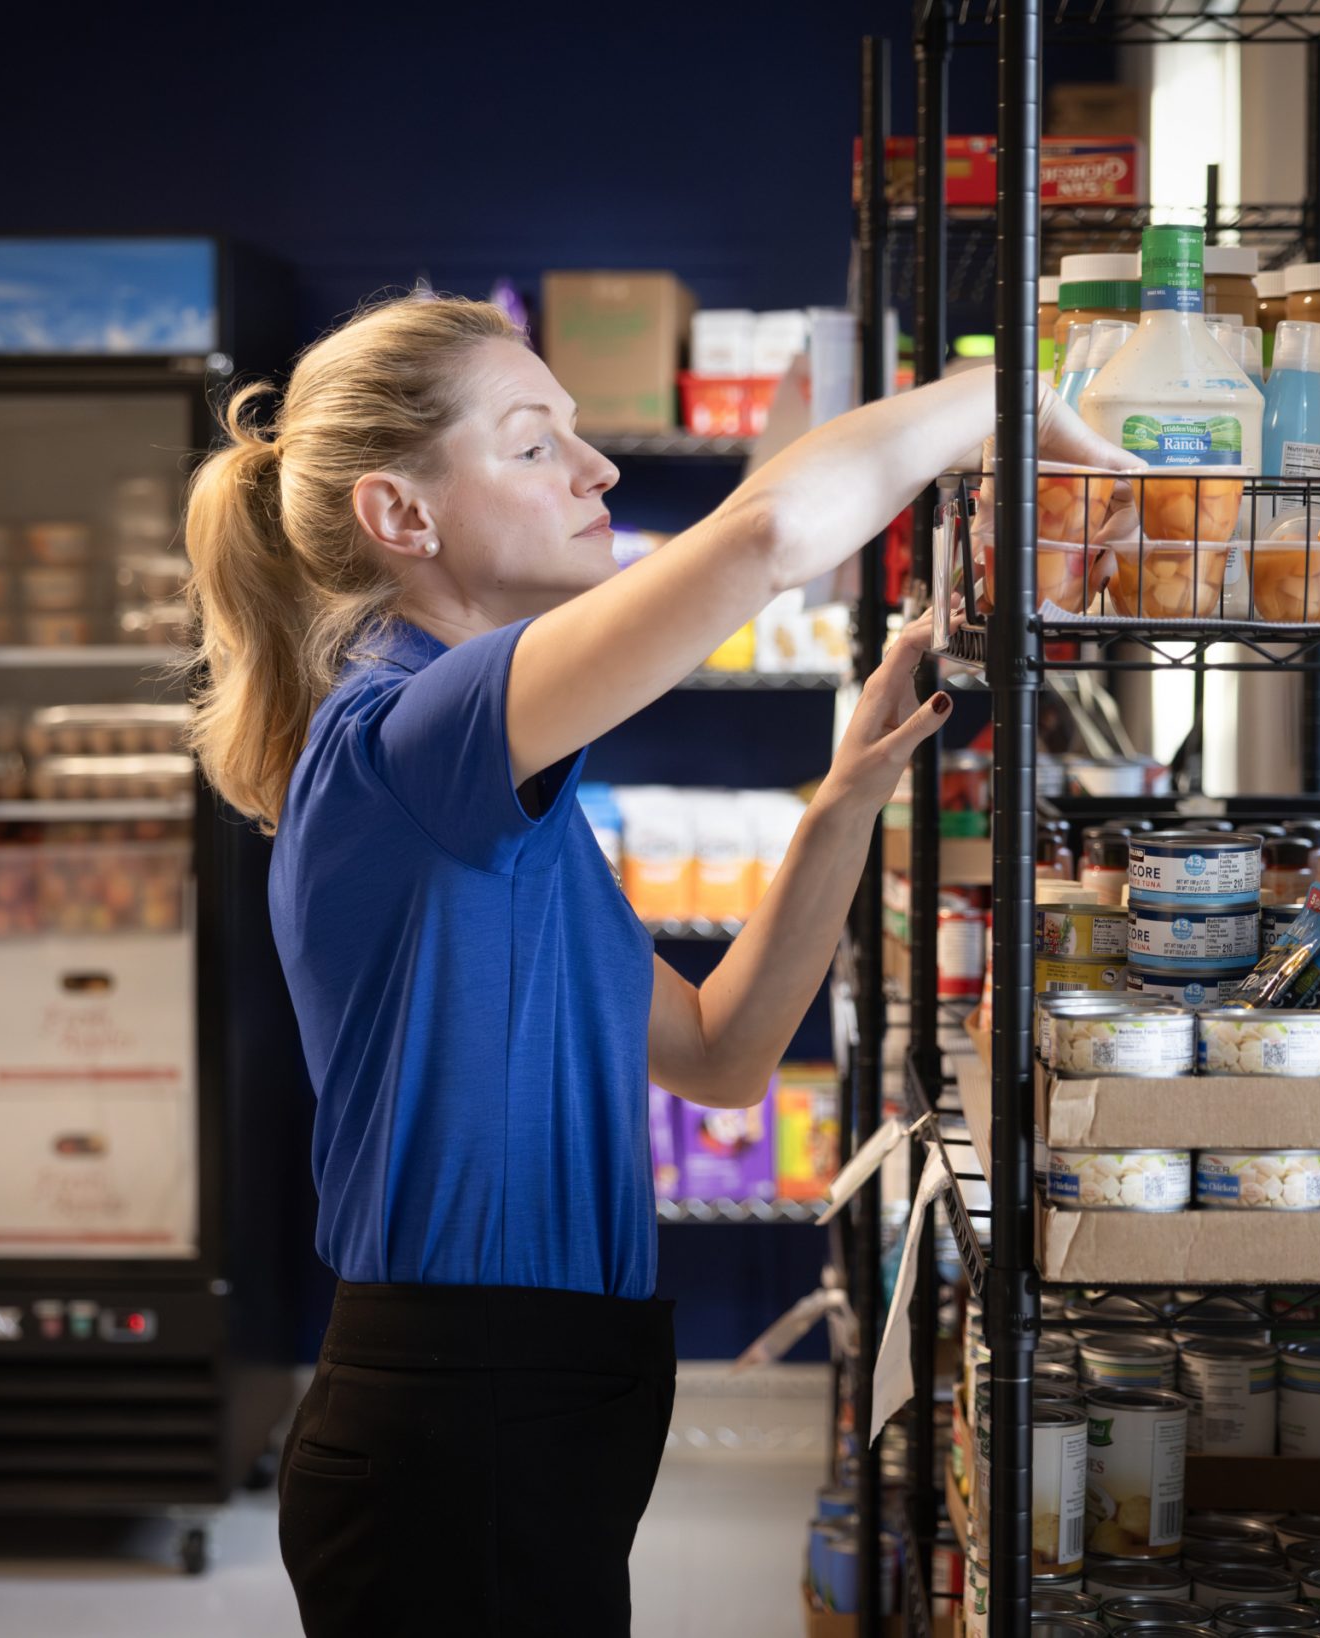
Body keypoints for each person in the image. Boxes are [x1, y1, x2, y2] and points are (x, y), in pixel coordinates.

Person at [181, 293, 1132, 1637]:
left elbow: (719, 1055)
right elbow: (765, 534)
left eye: (580, 430)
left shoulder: (497, 810)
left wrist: (842, 807)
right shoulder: (405, 737)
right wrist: (1010, 396)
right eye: (532, 445)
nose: (598, 469)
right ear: (402, 516)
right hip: (461, 1411)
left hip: (543, 1395)